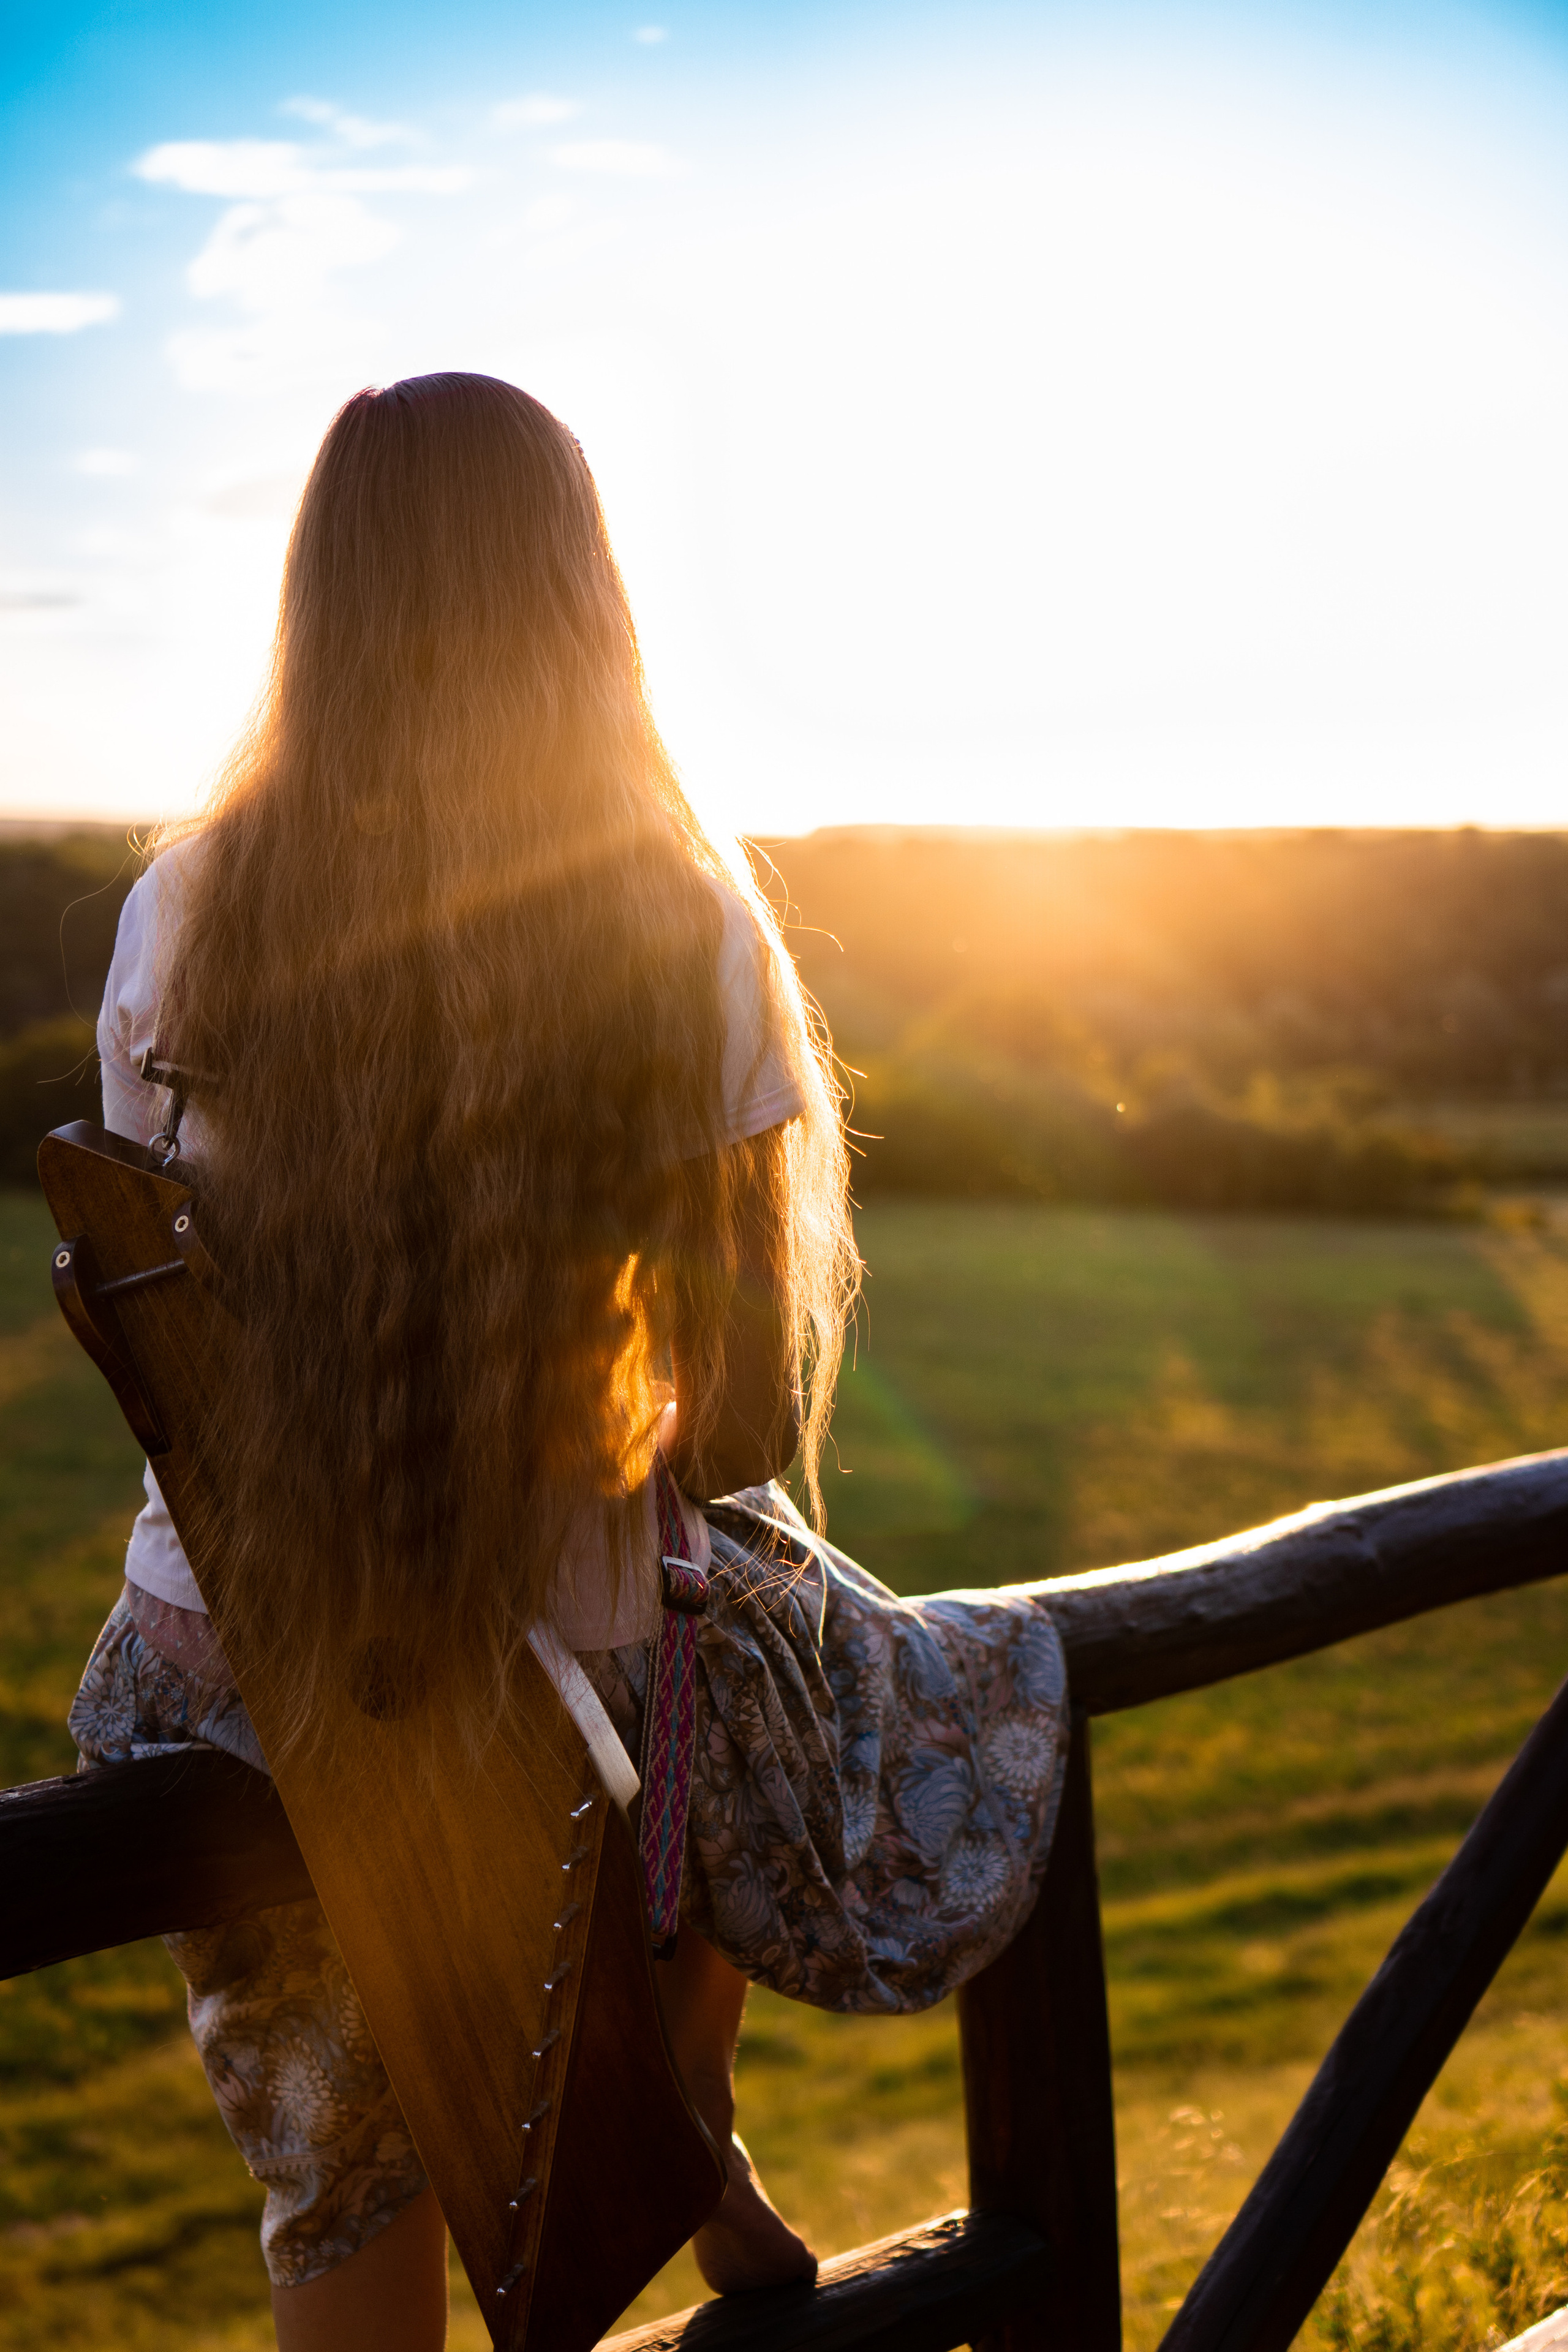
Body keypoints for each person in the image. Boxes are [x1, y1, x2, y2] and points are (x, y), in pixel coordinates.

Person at [69, 372, 1072, 2351]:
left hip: (234, 1674)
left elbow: (154, 1297)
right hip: (565, 1699)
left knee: (342, 2218)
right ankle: (690, 2120)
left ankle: (681, 2133)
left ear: (322, 595)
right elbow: (743, 1412)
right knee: (749, 1605)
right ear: (579, 591)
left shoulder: (180, 908)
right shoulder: (675, 916)